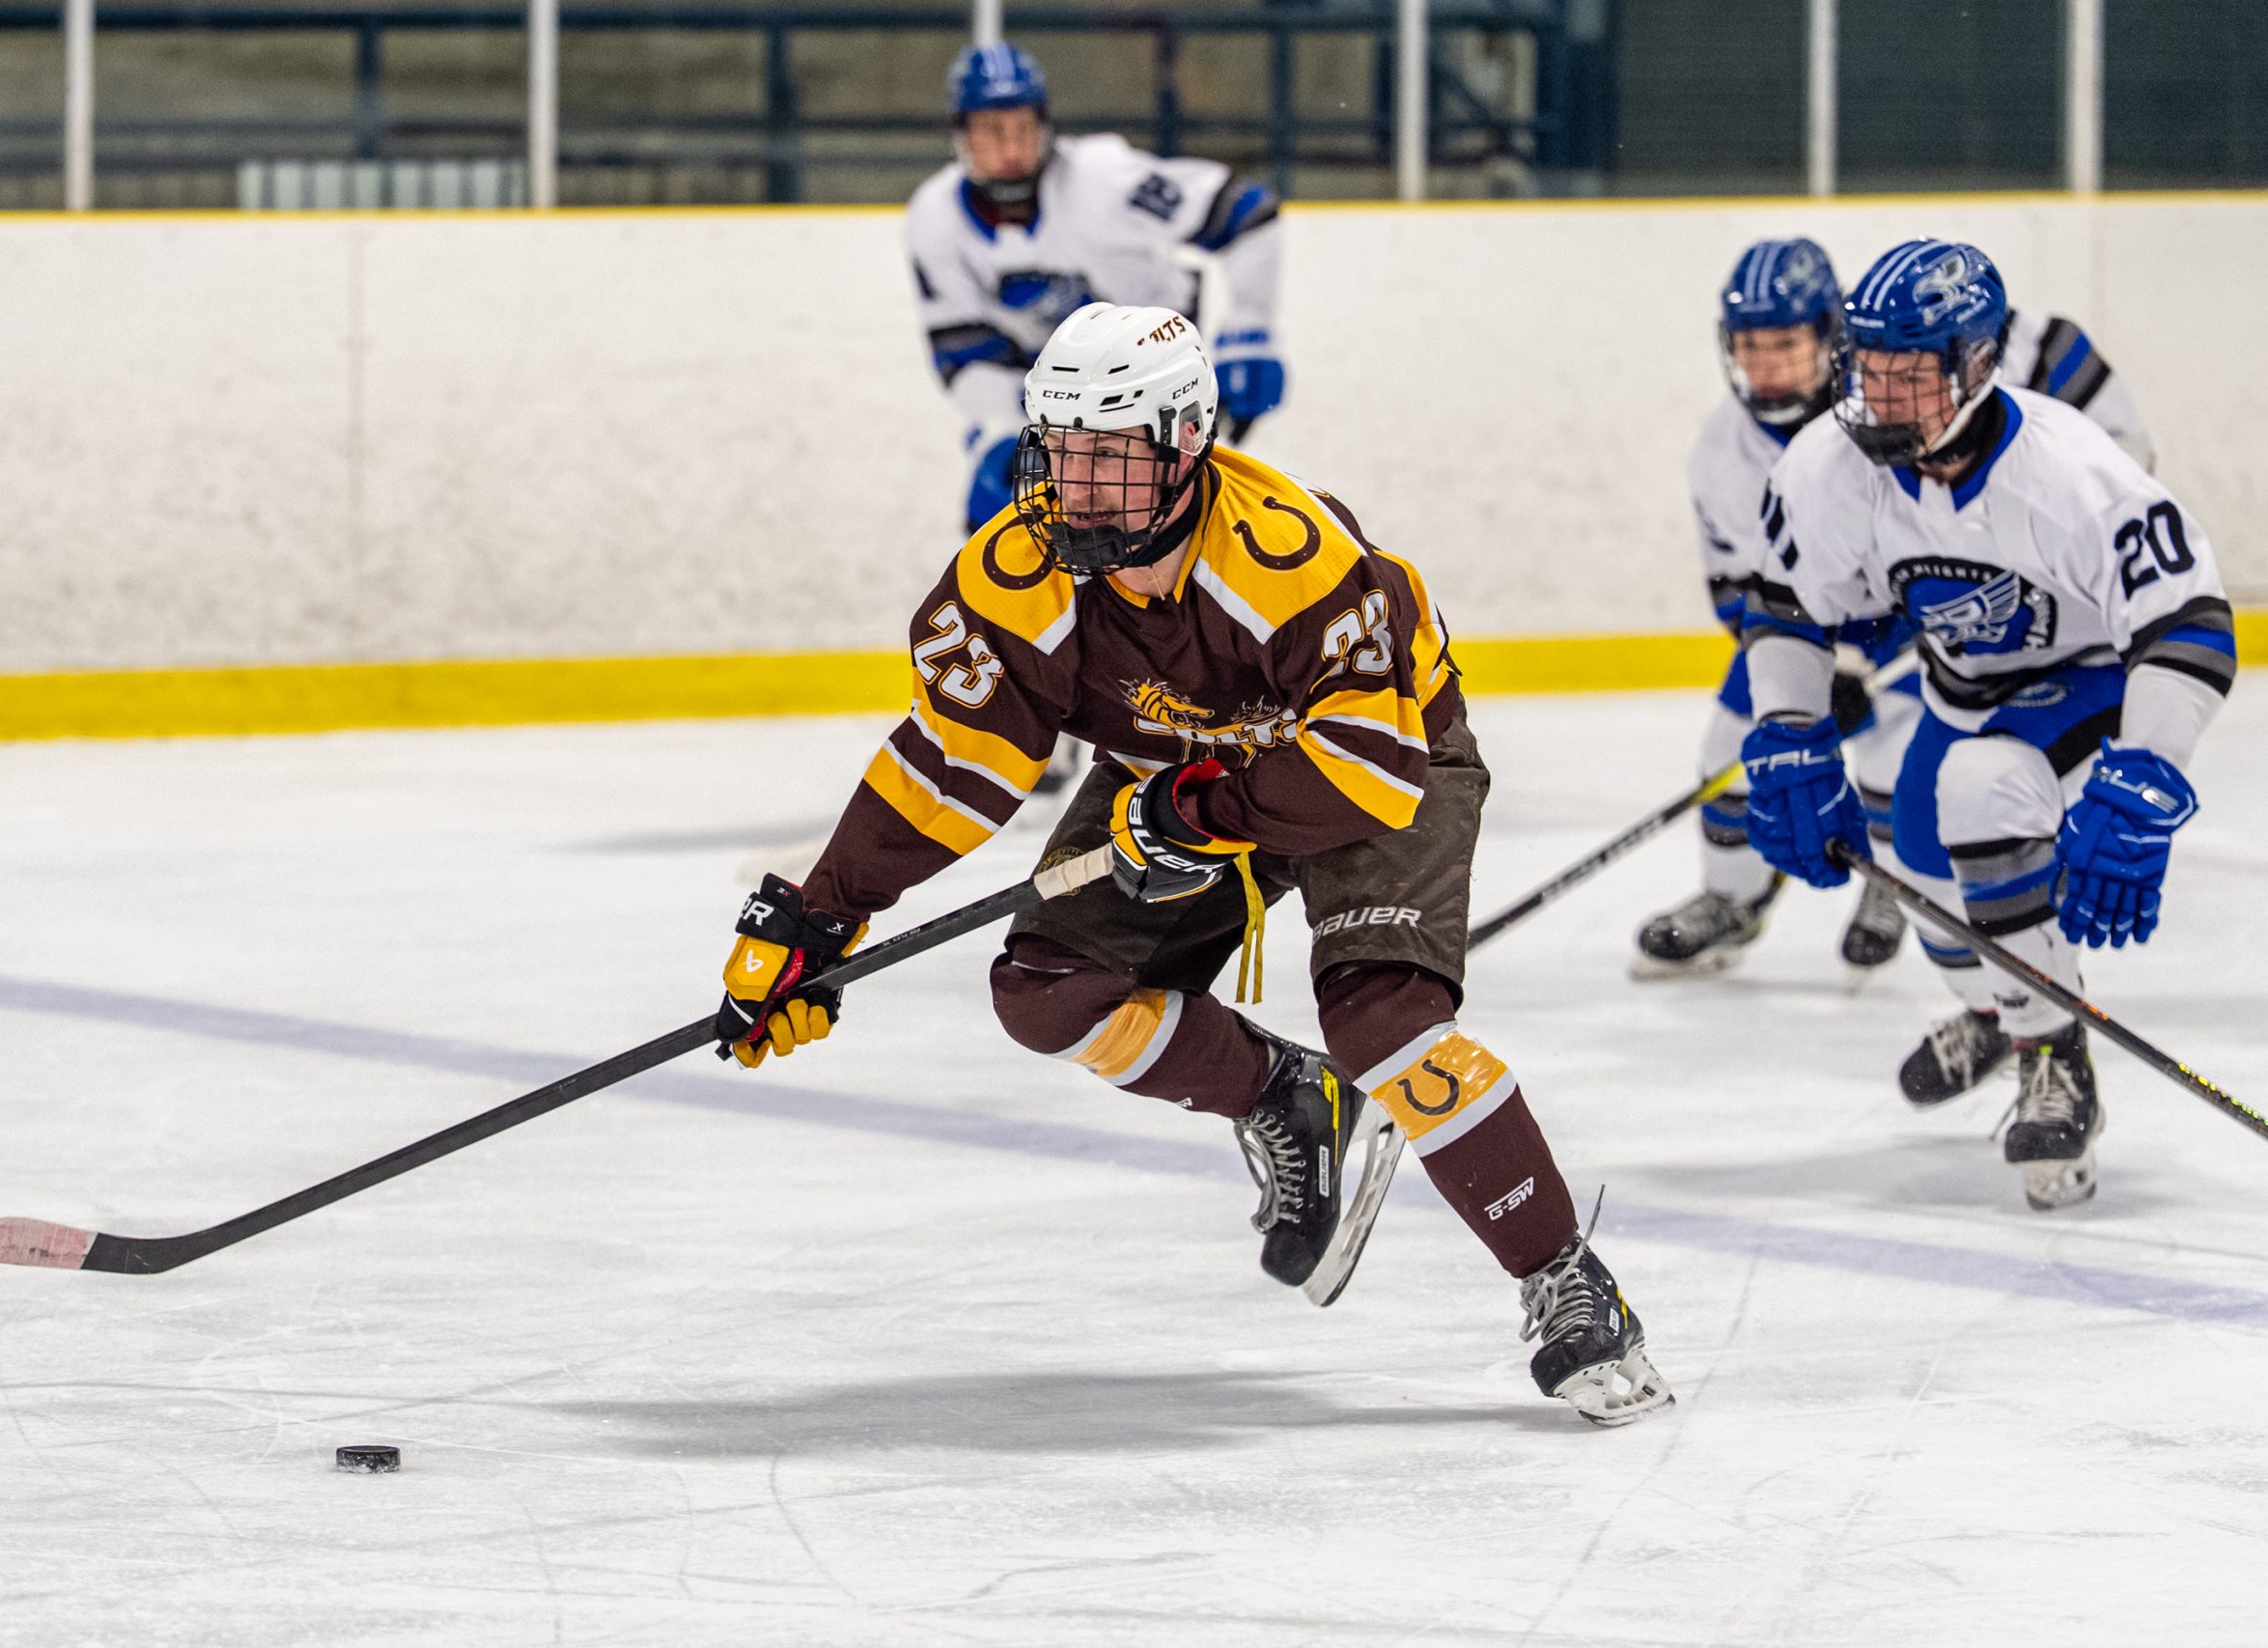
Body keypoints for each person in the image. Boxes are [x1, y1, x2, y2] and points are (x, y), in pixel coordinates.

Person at [711, 303, 1671, 1425]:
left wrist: (1197, 811)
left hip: (1373, 759)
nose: (1080, 488)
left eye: (1112, 459)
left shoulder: (1284, 557)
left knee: (1383, 1021)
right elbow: (946, 767)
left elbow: (1368, 772)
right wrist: (816, 920)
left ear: (1186, 446)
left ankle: (1562, 1274)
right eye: (1062, 454)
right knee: (1047, 992)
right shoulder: (1018, 575)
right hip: (1176, 770)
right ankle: (1283, 1093)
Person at [1738, 239, 2233, 1210]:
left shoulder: (2069, 470)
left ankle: (2054, 1061)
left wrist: (2146, 773)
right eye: (1867, 369)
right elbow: (1788, 604)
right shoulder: (1829, 466)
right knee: (1917, 866)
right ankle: (1999, 1014)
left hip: (2088, 682)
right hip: (1962, 690)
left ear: (1975, 365)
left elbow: (2189, 621)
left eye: (1908, 375)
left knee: (1978, 796)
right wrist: (1788, 729)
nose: (1880, 398)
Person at [1638, 237, 2162, 981]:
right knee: (1731, 749)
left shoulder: (1932, 388)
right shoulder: (1725, 452)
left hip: (1946, 619)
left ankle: (1888, 888)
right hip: (1833, 625)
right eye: (1750, 347)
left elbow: (2069, 381)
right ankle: (1732, 899)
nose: (1766, 366)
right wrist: (1822, 674)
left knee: (1897, 764)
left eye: (1785, 343)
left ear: (1832, 337)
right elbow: (1746, 595)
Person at [908, 42, 1285, 539]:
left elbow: (1246, 212)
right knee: (1002, 532)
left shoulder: (1103, 180)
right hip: (1051, 395)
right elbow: (965, 346)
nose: (1013, 148)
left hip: (1157, 380)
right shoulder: (934, 219)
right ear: (961, 137)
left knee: (1165, 530)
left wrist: (1249, 332)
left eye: (1024, 127)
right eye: (992, 132)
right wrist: (997, 434)